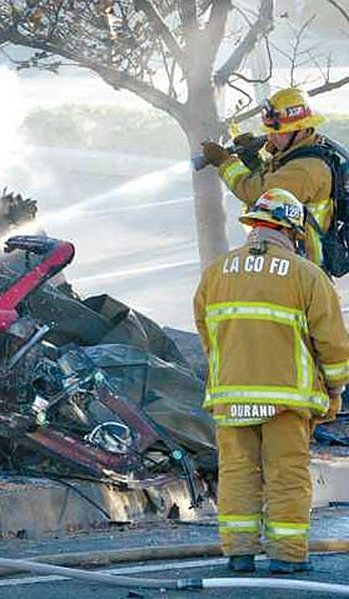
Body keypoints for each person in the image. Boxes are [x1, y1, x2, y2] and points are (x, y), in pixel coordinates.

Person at [194, 188, 349, 574]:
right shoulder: (306, 275)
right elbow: (332, 345)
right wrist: (334, 390)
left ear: (254, 226)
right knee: (286, 474)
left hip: (231, 397)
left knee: (237, 473)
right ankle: (287, 556)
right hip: (286, 400)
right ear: (293, 230)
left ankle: (239, 554)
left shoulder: (215, 273)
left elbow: (208, 335)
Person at [200, 87, 333, 266]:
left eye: (278, 132)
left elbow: (260, 194)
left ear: (299, 129)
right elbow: (273, 180)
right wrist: (252, 161)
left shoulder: (306, 169)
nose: (271, 137)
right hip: (290, 260)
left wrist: (224, 162)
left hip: (305, 267)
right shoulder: (296, 154)